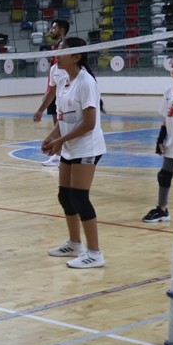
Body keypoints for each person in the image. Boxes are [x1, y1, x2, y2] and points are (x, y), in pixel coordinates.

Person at [42, 37, 107, 269]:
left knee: (79, 197)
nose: (57, 54)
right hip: (70, 147)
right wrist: (52, 136)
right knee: (64, 195)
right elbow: (65, 118)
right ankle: (74, 243)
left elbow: (89, 123)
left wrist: (60, 141)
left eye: (62, 51)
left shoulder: (86, 83)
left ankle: (95, 253)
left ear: (76, 56)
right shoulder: (64, 81)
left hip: (87, 147)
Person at [143, 59, 173, 224]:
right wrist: (160, 138)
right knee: (164, 176)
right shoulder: (168, 92)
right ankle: (162, 210)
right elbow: (165, 118)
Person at [33, 18, 71, 167]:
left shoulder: (67, 48)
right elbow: (53, 73)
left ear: (62, 30)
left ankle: (58, 155)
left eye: (54, 28)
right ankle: (59, 155)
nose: (51, 30)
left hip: (64, 91)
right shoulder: (55, 48)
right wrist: (48, 90)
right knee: (58, 123)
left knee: (60, 123)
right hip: (55, 90)